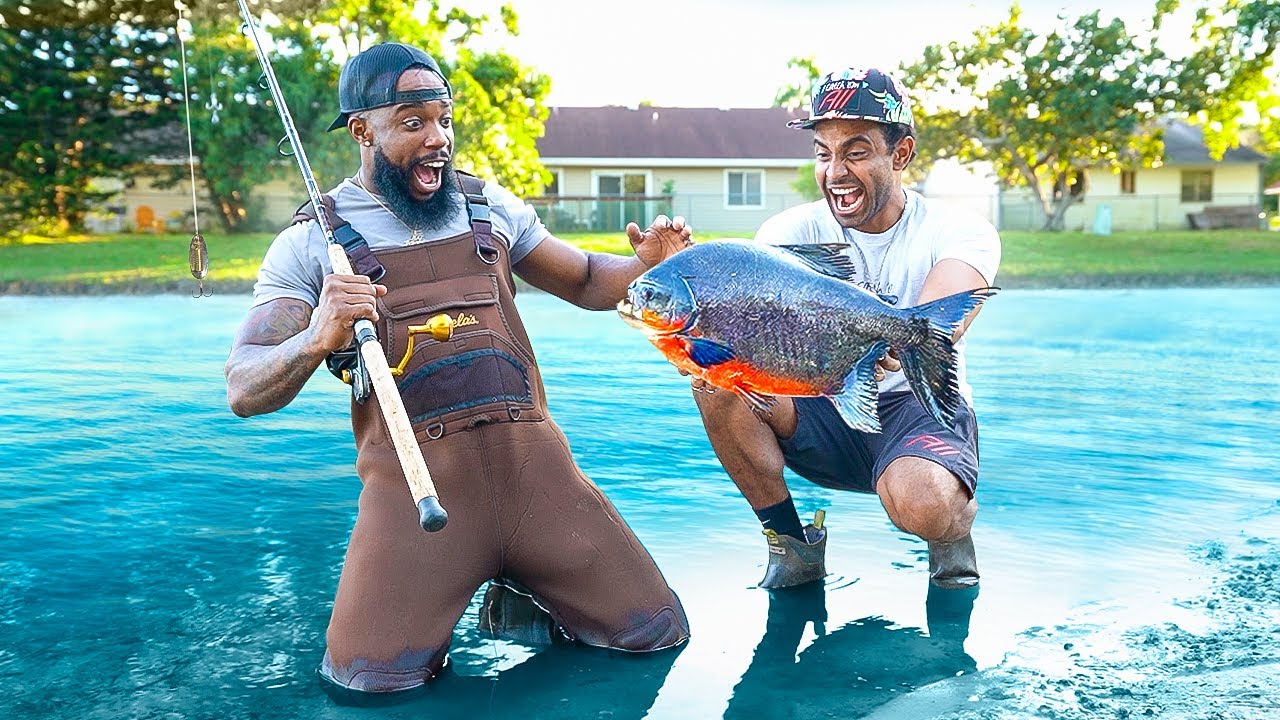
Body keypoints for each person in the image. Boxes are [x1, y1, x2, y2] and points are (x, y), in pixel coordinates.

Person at [223, 42, 692, 700]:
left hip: (539, 481)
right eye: (413, 122)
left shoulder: (489, 207)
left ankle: (526, 582)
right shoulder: (310, 244)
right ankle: (499, 583)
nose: (438, 138)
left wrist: (651, 266)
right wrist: (314, 338)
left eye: (444, 119)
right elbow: (243, 387)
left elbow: (587, 280)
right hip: (419, 504)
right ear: (362, 130)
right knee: (366, 684)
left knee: (656, 633)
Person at [691, 67, 1000, 591]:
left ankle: (950, 530)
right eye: (823, 153)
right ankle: (791, 548)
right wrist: (699, 300)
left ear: (899, 155)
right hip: (816, 403)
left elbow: (936, 325)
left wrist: (884, 342)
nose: (836, 171)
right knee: (714, 378)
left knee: (925, 504)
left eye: (856, 152)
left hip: (915, 408)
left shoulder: (958, 230)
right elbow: (754, 329)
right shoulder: (788, 233)